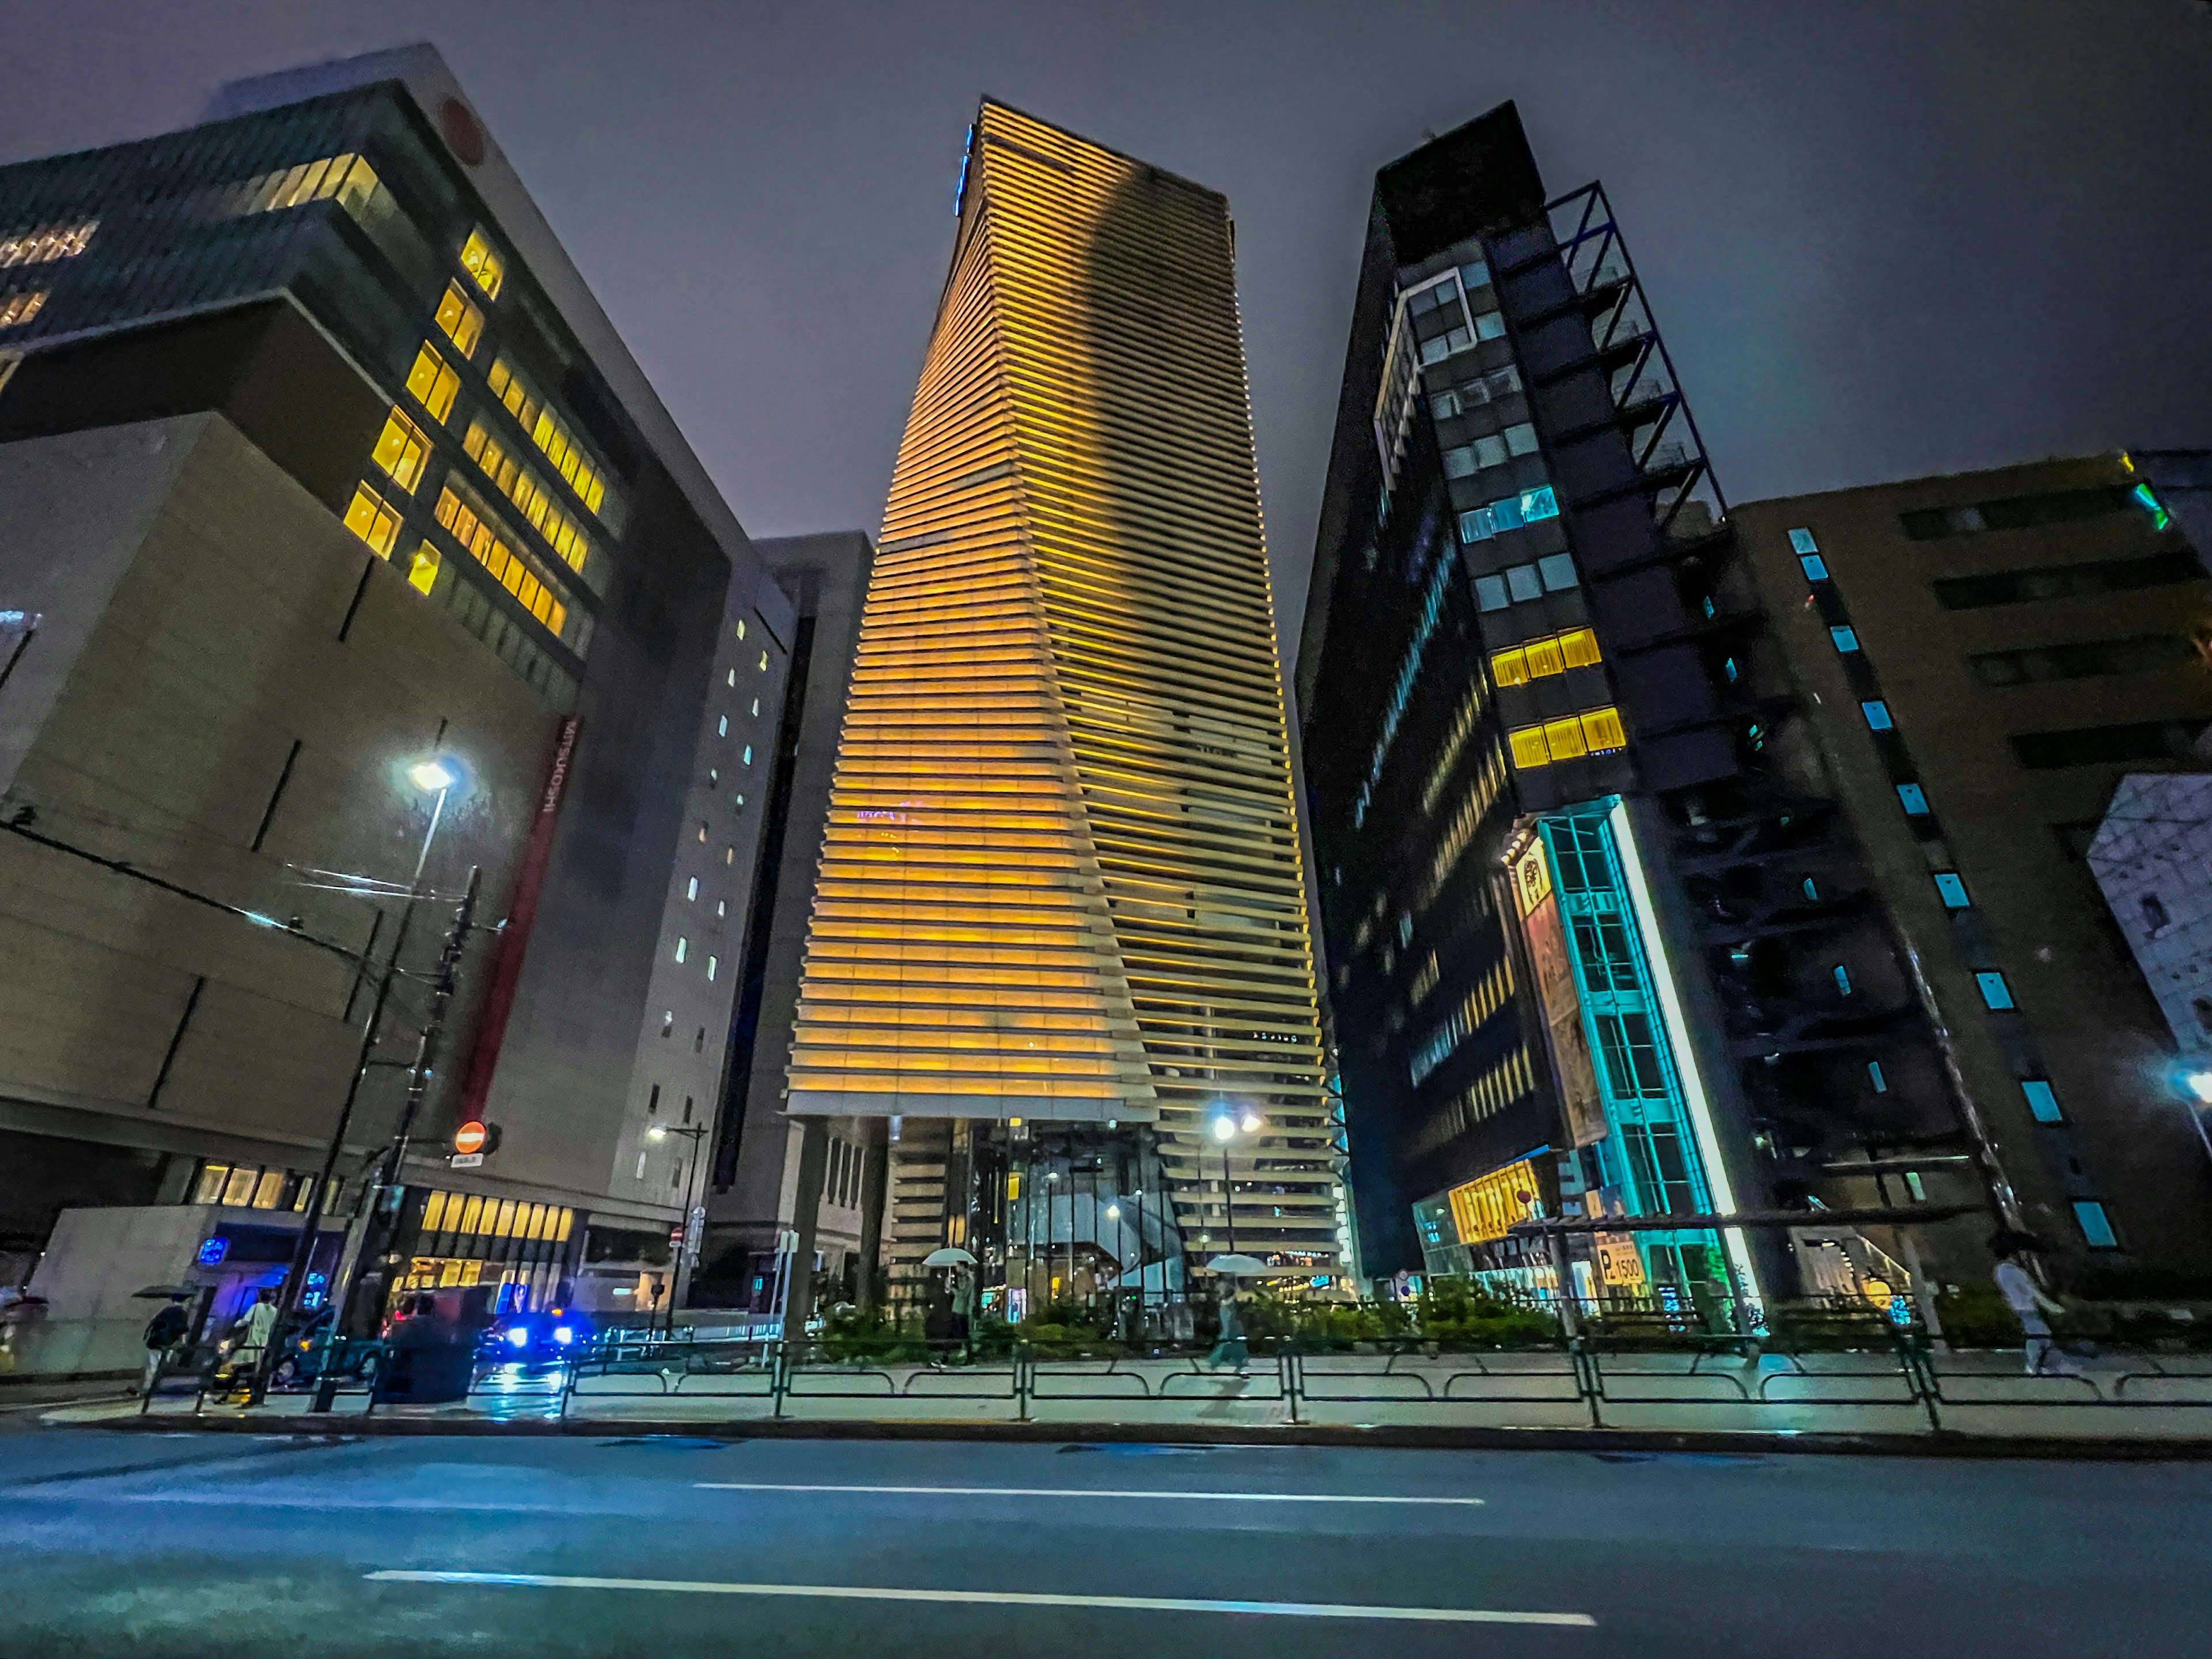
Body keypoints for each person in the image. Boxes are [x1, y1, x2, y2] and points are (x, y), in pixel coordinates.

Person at [1991, 1232, 2076, 1376]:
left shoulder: (2000, 1271)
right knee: (2038, 1337)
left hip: (2019, 1307)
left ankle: (2046, 1365)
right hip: (2027, 1308)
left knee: (2040, 1336)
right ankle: (2034, 1366)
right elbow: (2034, 1292)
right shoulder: (2016, 1272)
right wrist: (2054, 1308)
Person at [141, 1294, 191, 1395]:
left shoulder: (166, 1311)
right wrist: (183, 1344)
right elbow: (183, 1331)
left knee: (153, 1364)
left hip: (154, 1341)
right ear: (185, 1302)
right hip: (168, 1343)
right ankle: (153, 1388)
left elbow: (154, 1323)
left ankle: (147, 1386)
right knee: (161, 1364)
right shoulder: (182, 1313)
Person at [1207, 1278, 1248, 1373]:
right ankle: (1218, 1362)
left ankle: (1236, 1364)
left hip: (1232, 1326)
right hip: (1232, 1326)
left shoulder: (1225, 1302)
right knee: (1230, 1342)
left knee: (1232, 1342)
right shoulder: (1228, 1302)